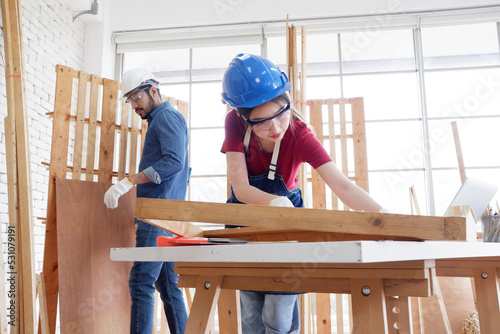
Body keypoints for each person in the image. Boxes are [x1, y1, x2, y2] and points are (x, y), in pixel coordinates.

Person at [220, 53, 386, 334]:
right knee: (250, 311)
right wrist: (274, 201)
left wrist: (385, 218)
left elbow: (344, 187)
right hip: (245, 217)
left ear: (288, 102)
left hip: (288, 222)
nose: (274, 128)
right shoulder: (233, 124)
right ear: (243, 117)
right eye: (260, 122)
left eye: (279, 115)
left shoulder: (300, 134)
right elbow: (241, 188)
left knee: (278, 311)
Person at [104, 68, 191, 334]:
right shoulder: (163, 119)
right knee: (167, 285)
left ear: (153, 90)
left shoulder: (166, 117)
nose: (133, 105)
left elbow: (174, 162)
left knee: (141, 282)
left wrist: (129, 182)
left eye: (136, 98)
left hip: (157, 215)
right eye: (129, 100)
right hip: (167, 214)